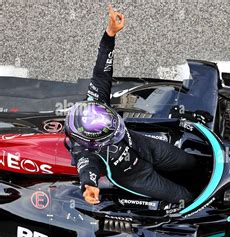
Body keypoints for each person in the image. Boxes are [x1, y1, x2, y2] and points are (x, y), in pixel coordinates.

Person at [65, 4, 196, 205]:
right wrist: (89, 187)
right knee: (184, 197)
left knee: (190, 162)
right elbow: (87, 170)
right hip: (135, 177)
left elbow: (101, 72)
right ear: (92, 143)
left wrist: (109, 35)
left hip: (144, 146)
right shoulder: (84, 152)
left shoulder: (95, 103)